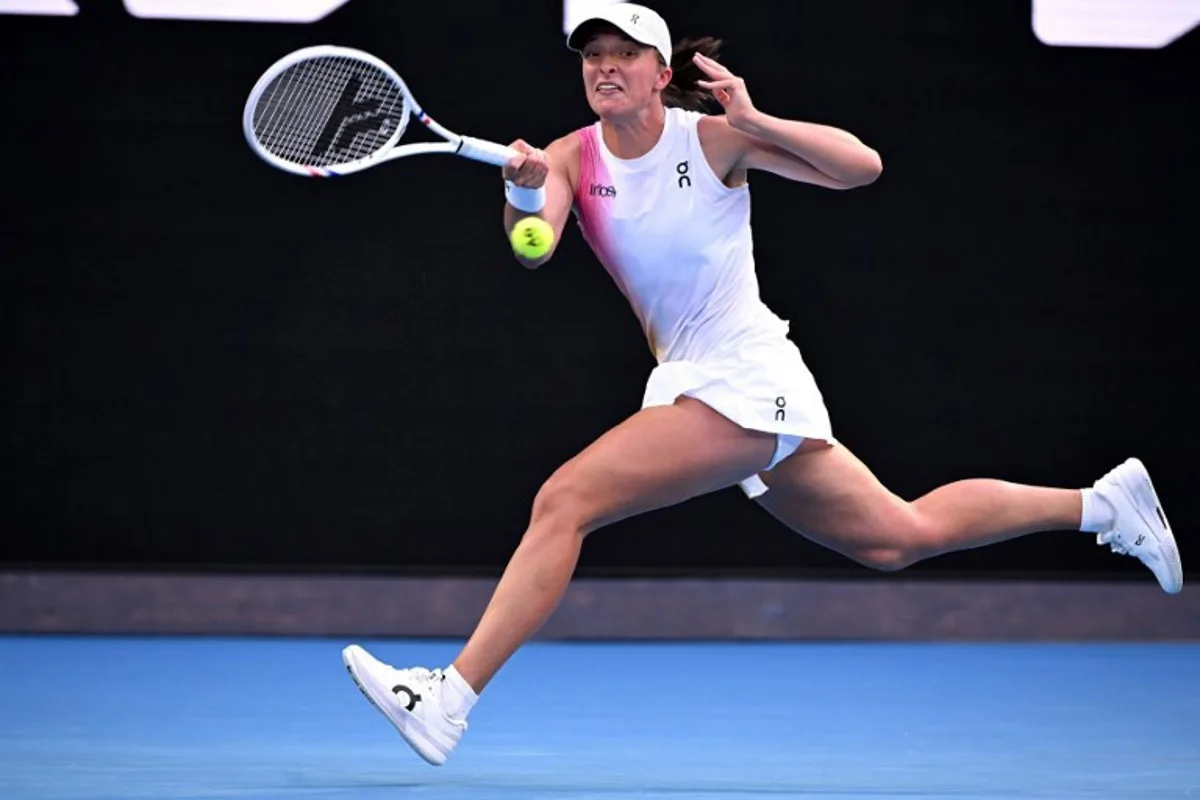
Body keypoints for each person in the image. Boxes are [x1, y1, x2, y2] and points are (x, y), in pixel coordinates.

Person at [340, 2, 1183, 766]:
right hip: (693, 378)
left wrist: (754, 117)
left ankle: (448, 699)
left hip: (744, 374)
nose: (603, 67)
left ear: (661, 72)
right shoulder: (568, 154)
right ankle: (1104, 504)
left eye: (622, 54)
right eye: (590, 54)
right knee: (897, 535)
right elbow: (535, 245)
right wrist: (523, 196)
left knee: (566, 500)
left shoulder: (711, 139)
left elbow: (864, 168)